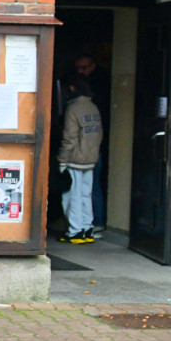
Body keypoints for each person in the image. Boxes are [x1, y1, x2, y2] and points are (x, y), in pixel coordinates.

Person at [58, 72, 103, 244]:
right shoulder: (93, 107)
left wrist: (62, 160)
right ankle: (87, 229)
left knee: (71, 196)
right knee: (86, 195)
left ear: (71, 88)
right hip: (91, 159)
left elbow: (69, 138)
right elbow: (99, 134)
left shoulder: (73, 108)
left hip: (74, 160)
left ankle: (74, 232)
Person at [74, 53, 110, 234]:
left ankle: (95, 221)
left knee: (89, 187)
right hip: (95, 148)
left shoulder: (94, 94)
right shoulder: (94, 103)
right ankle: (93, 222)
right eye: (78, 69)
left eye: (83, 68)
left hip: (86, 150)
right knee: (91, 187)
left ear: (93, 66)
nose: (80, 72)